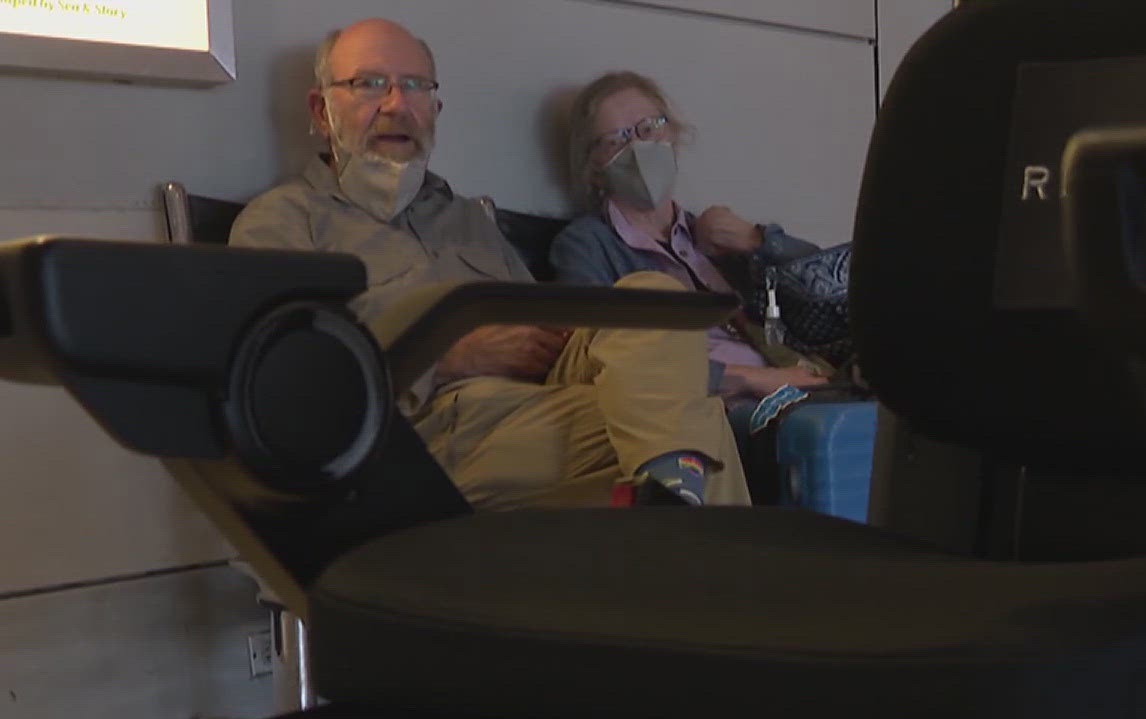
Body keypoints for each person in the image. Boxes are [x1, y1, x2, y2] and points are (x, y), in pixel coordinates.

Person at [230, 19, 749, 508]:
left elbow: (551, 327)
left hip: (536, 404)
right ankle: (692, 544)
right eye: (369, 84)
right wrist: (451, 358)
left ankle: (674, 519)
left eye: (415, 86)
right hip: (424, 436)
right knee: (693, 426)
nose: (396, 104)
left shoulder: (468, 219)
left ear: (435, 110)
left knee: (651, 298)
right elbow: (287, 385)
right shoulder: (283, 222)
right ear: (321, 112)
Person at [548, 72, 832, 408]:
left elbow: (831, 291)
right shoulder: (586, 245)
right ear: (593, 166)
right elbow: (599, 357)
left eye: (648, 128)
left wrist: (756, 240)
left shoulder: (712, 235)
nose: (638, 147)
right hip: (715, 406)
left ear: (673, 135)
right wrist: (756, 380)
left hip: (802, 378)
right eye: (616, 140)